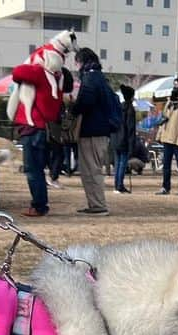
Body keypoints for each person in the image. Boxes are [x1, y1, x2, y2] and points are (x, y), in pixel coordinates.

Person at [11, 39, 66, 217]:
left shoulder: (40, 74)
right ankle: (41, 204)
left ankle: (39, 205)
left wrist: (38, 61)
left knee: (32, 170)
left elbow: (17, 72)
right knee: (39, 170)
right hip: (44, 131)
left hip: (32, 129)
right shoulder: (58, 81)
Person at [71, 47, 116, 214]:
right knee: (93, 169)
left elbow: (85, 103)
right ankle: (95, 204)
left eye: (76, 62)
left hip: (92, 131)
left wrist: (73, 107)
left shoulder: (90, 79)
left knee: (91, 170)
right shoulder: (101, 78)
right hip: (101, 131)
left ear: (81, 62)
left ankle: (98, 205)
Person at [111, 82, 136, 194]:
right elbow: (131, 129)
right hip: (124, 140)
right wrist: (132, 145)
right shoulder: (130, 110)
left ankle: (116, 185)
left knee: (117, 163)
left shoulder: (118, 107)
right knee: (122, 163)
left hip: (115, 139)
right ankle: (119, 186)